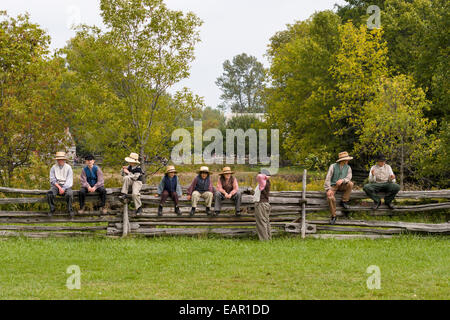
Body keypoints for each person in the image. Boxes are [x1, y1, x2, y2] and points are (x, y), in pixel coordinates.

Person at [324, 151, 354, 225]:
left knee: (350, 184)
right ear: (342, 160)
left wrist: (343, 180)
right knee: (330, 198)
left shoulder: (348, 167)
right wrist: (328, 189)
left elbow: (349, 177)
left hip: (342, 185)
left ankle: (344, 201)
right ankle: (334, 216)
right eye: (347, 159)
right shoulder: (333, 166)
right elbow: (328, 178)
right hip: (333, 186)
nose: (348, 160)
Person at [47, 152, 74, 217]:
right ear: (57, 160)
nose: (60, 161)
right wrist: (59, 187)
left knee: (69, 194)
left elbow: (69, 180)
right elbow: (52, 180)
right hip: (56, 186)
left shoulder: (68, 168)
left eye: (61, 159)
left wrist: (63, 188)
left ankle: (70, 209)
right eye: (58, 159)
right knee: (49, 194)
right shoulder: (53, 167)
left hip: (66, 186)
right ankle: (52, 209)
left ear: (64, 160)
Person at [254, 169, 272, 241]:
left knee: (261, 222)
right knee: (265, 221)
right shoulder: (264, 182)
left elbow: (259, 176)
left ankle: (264, 240)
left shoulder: (263, 182)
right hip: (264, 203)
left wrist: (266, 176)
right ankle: (268, 238)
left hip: (261, 204)